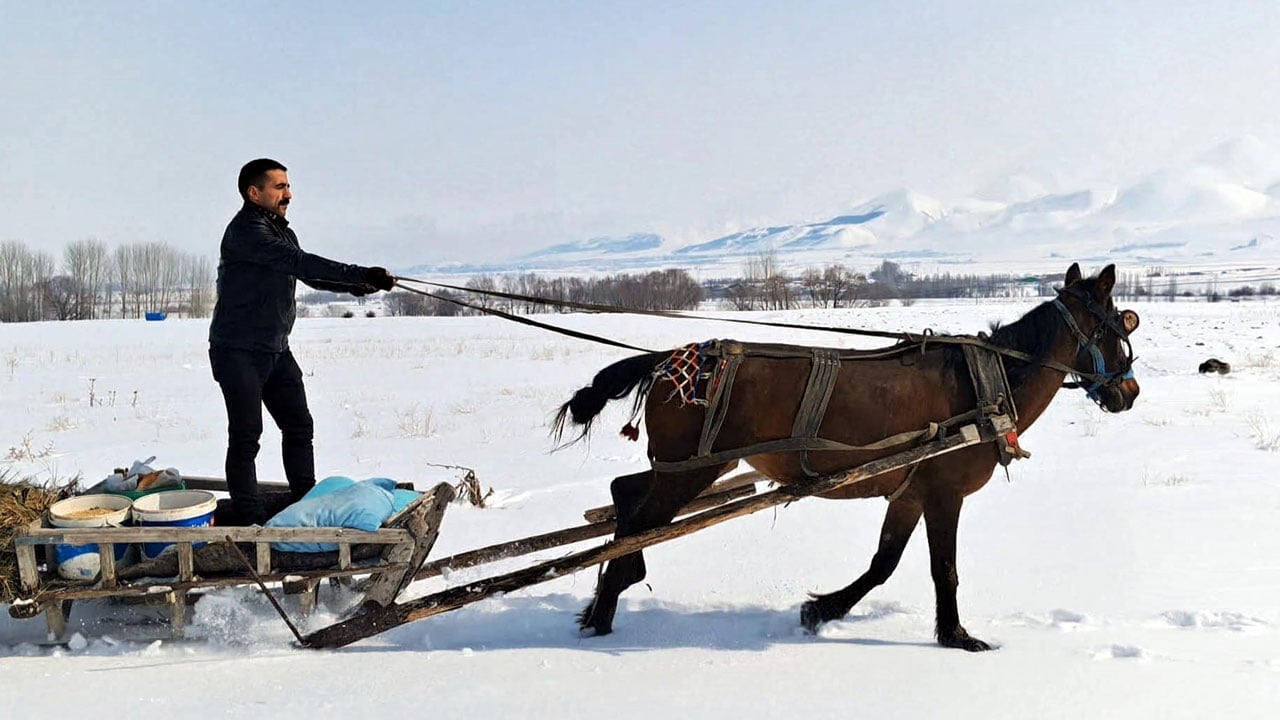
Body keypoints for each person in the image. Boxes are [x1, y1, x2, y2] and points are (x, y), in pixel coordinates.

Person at [208, 158, 396, 525]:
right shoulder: (247, 232)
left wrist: (361, 284)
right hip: (238, 351)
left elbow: (306, 273)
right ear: (254, 192)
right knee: (246, 436)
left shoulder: (280, 231)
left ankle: (306, 503)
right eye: (280, 187)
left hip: (276, 349)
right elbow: (301, 262)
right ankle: (249, 523)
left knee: (299, 426)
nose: (289, 194)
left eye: (288, 186)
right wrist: (358, 272)